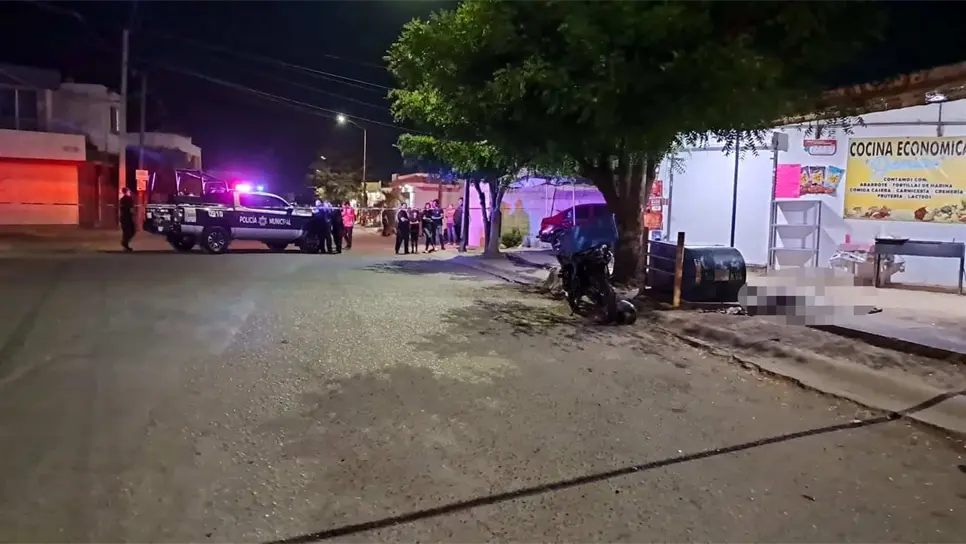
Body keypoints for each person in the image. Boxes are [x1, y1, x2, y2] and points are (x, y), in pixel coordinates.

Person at [119, 187, 135, 251]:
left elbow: (122, 208)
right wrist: (133, 214)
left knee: (125, 231)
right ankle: (125, 243)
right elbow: (131, 208)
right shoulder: (129, 199)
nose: (130, 192)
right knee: (132, 230)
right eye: (129, 191)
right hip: (128, 217)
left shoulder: (122, 199)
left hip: (123, 217)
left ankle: (125, 244)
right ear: (127, 192)